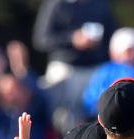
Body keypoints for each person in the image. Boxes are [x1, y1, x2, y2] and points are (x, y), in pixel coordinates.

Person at [32, 0, 114, 129]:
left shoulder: (100, 4)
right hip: (64, 67)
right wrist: (72, 39)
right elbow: (41, 39)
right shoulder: (56, 4)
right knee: (58, 116)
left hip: (95, 69)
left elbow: (111, 35)